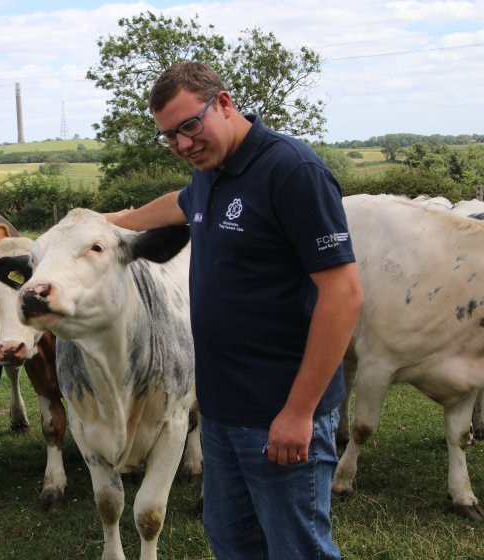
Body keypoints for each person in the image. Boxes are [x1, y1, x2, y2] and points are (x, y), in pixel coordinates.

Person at [109, 61, 363, 559]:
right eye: (169, 136)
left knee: (297, 549)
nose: (182, 144)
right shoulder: (210, 172)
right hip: (221, 415)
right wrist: (99, 223)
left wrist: (299, 412)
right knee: (232, 544)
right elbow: (178, 204)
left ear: (223, 103)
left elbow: (344, 293)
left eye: (189, 125)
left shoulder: (292, 170)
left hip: (281, 416)